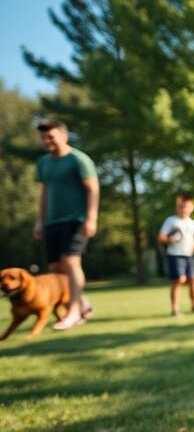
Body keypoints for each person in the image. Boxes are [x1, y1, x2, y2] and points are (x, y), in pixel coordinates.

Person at [33, 118, 98, 331]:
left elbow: (93, 189)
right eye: (44, 138)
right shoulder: (44, 163)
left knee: (71, 262)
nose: (47, 141)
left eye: (51, 137)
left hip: (76, 219)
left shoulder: (78, 159)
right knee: (56, 269)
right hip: (53, 221)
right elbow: (44, 193)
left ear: (64, 135)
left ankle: (74, 312)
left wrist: (91, 218)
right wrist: (39, 221)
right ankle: (83, 304)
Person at [158, 193, 194, 316]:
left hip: (189, 256)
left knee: (193, 279)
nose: (182, 209)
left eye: (185, 206)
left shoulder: (193, 224)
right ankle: (175, 309)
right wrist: (170, 240)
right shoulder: (171, 221)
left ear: (191, 207)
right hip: (175, 255)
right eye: (179, 206)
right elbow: (161, 237)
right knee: (179, 279)